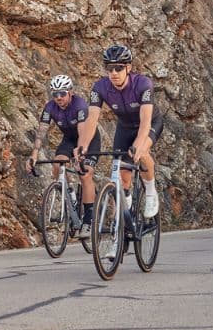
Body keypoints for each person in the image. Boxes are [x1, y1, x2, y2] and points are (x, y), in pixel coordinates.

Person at [76, 44, 161, 218]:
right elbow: (91, 119)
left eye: (119, 68)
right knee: (122, 171)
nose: (114, 72)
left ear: (128, 68)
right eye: (109, 68)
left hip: (150, 123)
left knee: (142, 151)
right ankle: (126, 200)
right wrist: (83, 146)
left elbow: (145, 122)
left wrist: (137, 145)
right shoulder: (100, 87)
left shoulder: (143, 84)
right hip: (124, 127)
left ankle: (151, 192)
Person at [24, 75, 100, 238]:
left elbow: (82, 132)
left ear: (70, 92)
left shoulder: (79, 105)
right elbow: (42, 131)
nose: (59, 98)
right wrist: (34, 154)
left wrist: (79, 153)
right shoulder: (50, 107)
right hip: (68, 139)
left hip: (88, 139)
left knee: (85, 174)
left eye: (62, 94)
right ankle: (70, 195)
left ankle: (88, 221)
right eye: (55, 94)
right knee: (58, 165)